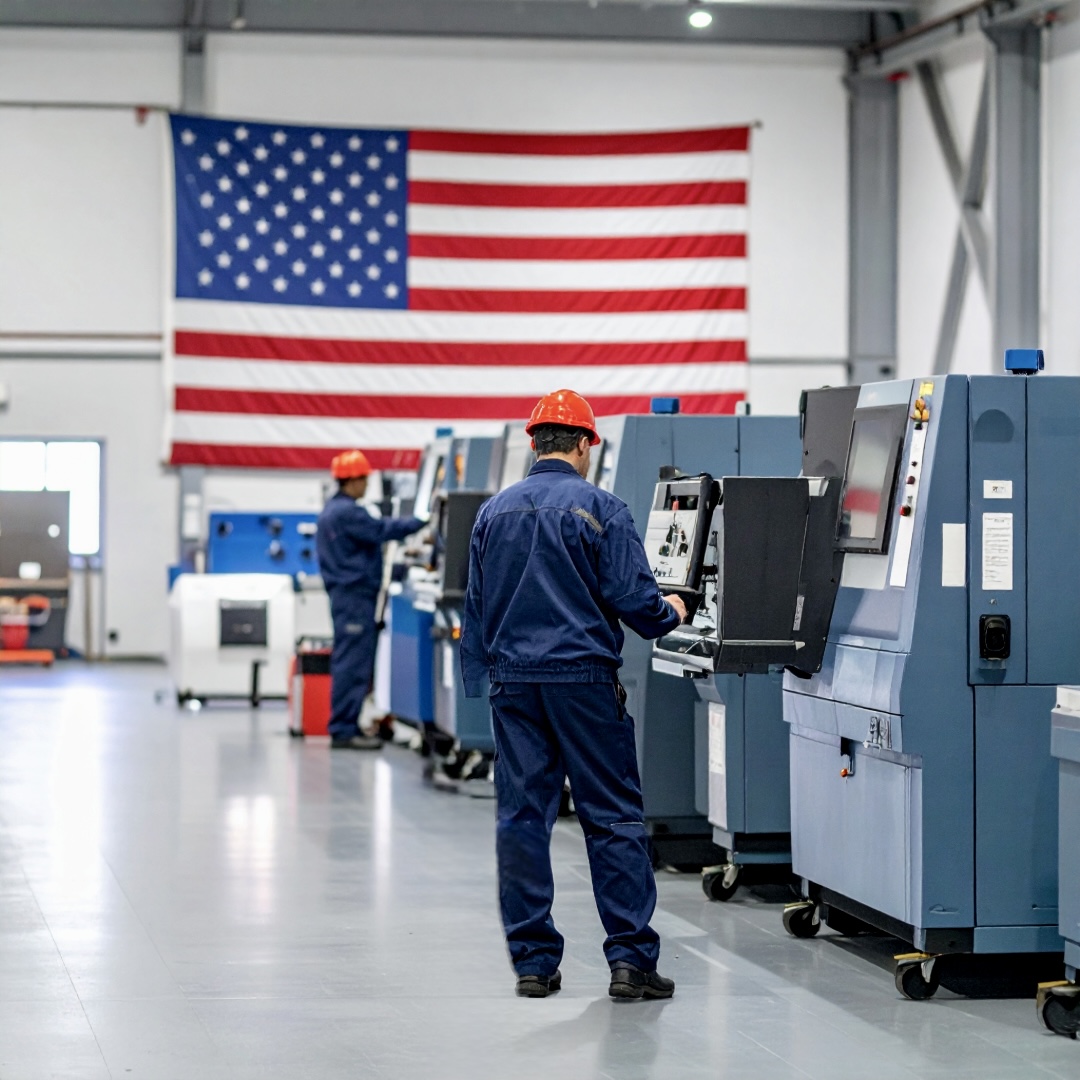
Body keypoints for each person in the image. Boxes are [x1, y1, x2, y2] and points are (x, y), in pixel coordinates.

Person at [460, 390, 689, 1001]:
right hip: (583, 686)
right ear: (587, 444)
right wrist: (674, 609)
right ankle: (630, 964)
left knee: (522, 817)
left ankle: (534, 964)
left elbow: (475, 611)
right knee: (613, 818)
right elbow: (641, 608)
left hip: (515, 686)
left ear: (535, 442)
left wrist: (477, 681)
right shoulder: (603, 509)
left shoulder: (493, 513)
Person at [316, 450, 425, 750]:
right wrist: (421, 521)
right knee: (352, 665)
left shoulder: (334, 510)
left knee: (351, 662)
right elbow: (382, 531)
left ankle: (345, 725)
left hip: (349, 597)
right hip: (354, 598)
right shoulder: (347, 512)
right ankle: (342, 729)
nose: (366, 484)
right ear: (352, 480)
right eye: (364, 479)